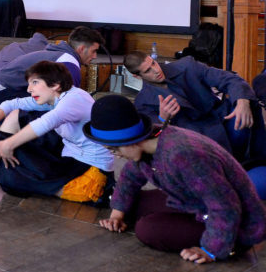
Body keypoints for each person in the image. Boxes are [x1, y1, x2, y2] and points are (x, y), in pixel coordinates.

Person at [85, 94, 266, 264]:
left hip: (238, 222)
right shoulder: (151, 140)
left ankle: (229, 242)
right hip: (197, 202)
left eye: (115, 150)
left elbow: (225, 204)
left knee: (147, 230)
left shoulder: (182, 155)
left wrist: (212, 249)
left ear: (130, 141)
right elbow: (129, 177)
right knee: (132, 205)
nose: (116, 156)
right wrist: (117, 213)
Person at [0, 61, 114, 204]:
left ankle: (56, 187)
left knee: (14, 173)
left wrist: (9, 143)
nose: (29, 89)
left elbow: (45, 123)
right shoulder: (54, 97)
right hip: (69, 154)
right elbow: (11, 104)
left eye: (35, 83)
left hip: (88, 167)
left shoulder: (73, 99)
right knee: (16, 116)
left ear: (55, 84)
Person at [126, 51, 266, 164]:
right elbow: (151, 138)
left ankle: (259, 160)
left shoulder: (187, 65)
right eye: (148, 70)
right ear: (137, 76)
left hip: (220, 117)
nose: (156, 70)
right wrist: (162, 119)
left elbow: (229, 79)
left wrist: (242, 101)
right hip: (195, 138)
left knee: (247, 102)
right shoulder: (142, 103)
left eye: (154, 63)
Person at [0, 26, 104, 106]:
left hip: (0, 89)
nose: (95, 56)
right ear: (82, 49)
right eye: (93, 51)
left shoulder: (59, 53)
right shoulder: (69, 63)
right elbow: (66, 103)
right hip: (6, 92)